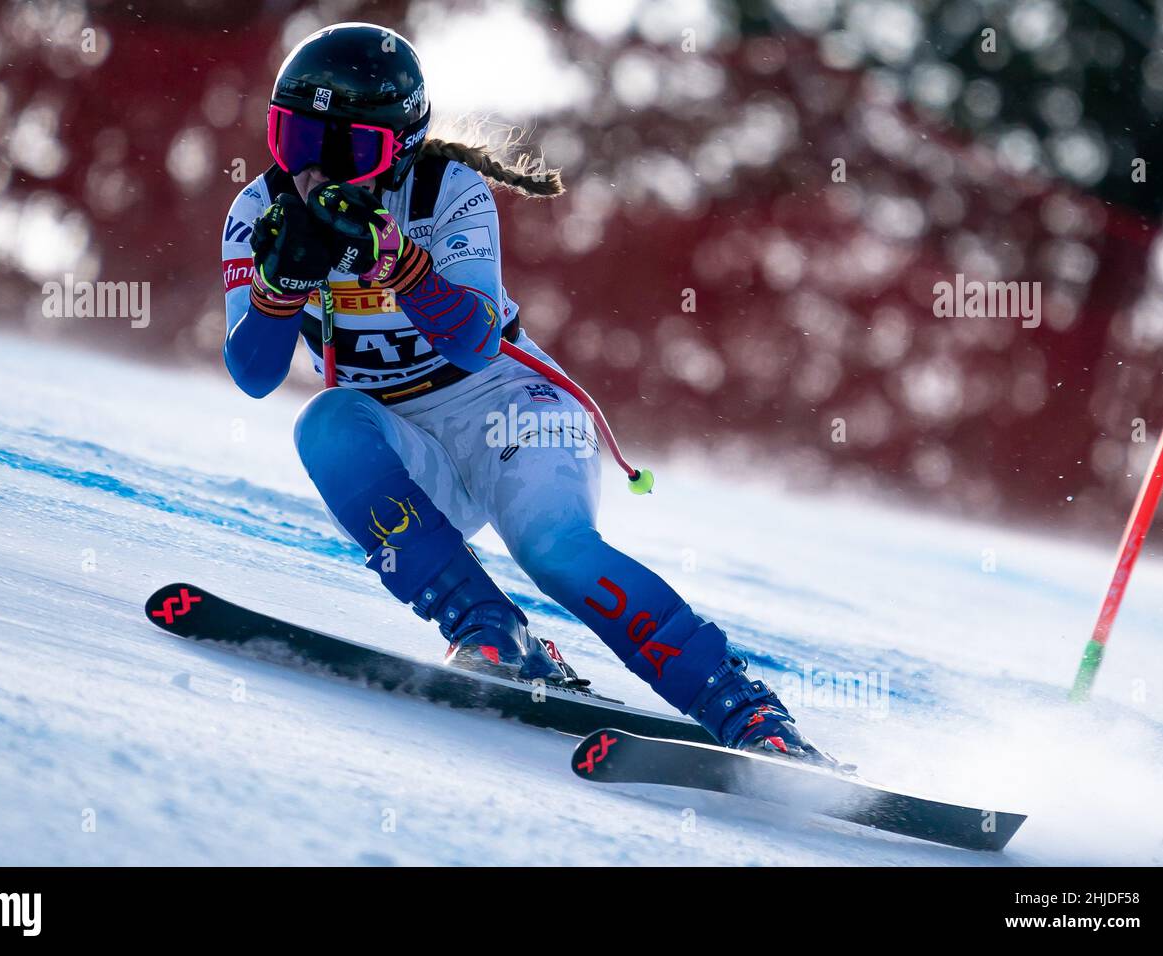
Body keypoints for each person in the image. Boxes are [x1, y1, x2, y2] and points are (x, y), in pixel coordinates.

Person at [221, 21, 831, 764]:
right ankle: (493, 633)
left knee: (554, 550)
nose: (316, 173)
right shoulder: (260, 213)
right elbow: (253, 376)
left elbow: (474, 340)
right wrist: (279, 288)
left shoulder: (448, 190)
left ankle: (749, 713)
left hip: (512, 412)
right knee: (324, 421)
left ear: (399, 151)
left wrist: (397, 263)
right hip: (415, 455)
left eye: (348, 151)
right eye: (295, 140)